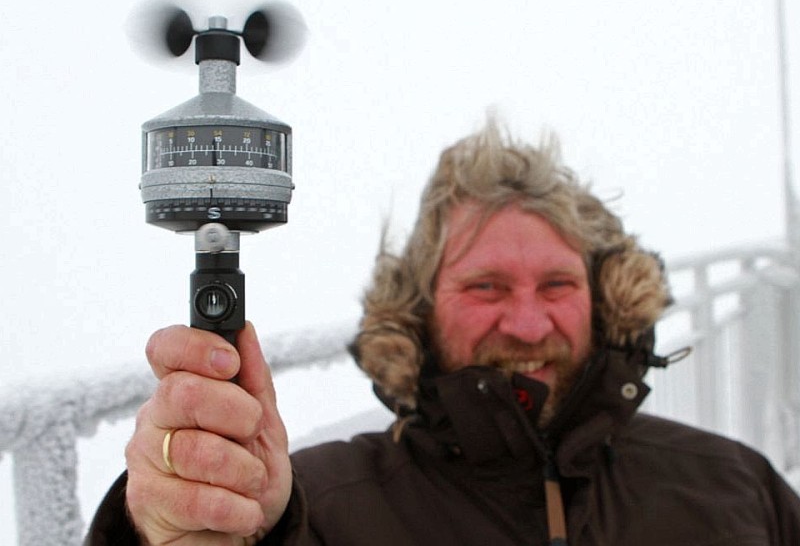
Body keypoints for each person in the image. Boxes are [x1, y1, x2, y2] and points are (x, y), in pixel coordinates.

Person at [87, 117, 800, 545]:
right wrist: (182, 529)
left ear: (606, 299)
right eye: (484, 287)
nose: (527, 324)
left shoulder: (739, 489)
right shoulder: (316, 513)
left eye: (557, 284)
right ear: (419, 308)